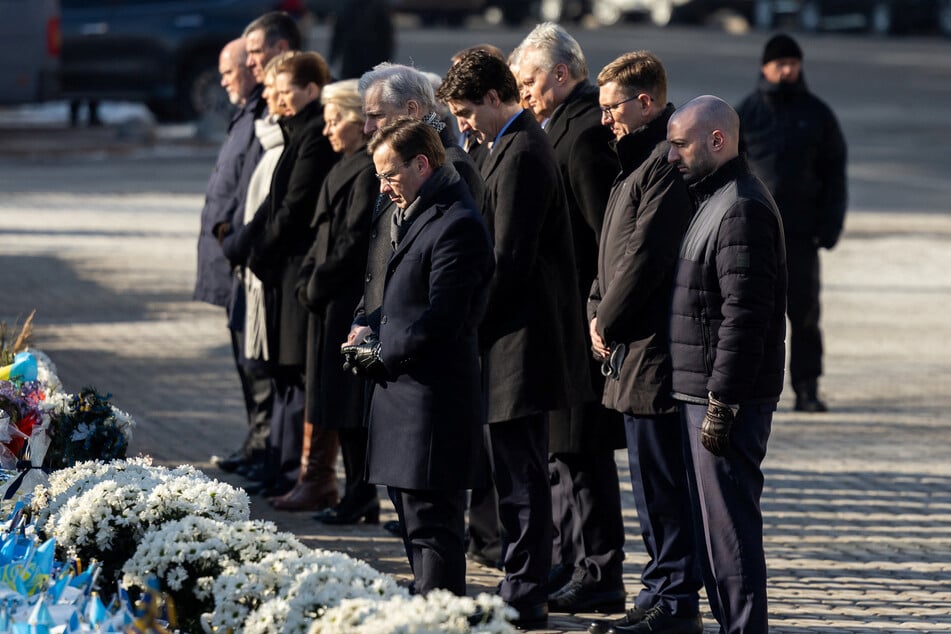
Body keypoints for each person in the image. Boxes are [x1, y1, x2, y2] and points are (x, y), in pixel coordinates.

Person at [437, 49, 592, 629]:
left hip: (522, 343)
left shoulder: (524, 150)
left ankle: (526, 590)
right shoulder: (506, 143)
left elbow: (510, 259)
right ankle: (520, 579)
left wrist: (465, 323)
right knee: (516, 471)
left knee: (522, 473)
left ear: (496, 98)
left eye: (467, 111)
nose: (463, 124)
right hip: (507, 340)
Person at [342, 118, 494, 596]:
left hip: (432, 405)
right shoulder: (415, 212)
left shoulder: (457, 223)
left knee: (432, 531)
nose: (383, 187)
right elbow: (407, 298)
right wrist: (370, 326)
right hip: (403, 400)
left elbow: (444, 319)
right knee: (413, 524)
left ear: (422, 165)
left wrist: (381, 355)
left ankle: (440, 618)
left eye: (389, 175)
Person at [586, 52, 703, 634]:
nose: (605, 119)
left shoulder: (665, 162)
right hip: (628, 348)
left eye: (611, 108)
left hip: (655, 352)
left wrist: (605, 319)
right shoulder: (632, 160)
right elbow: (607, 253)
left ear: (646, 102)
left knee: (664, 488)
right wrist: (595, 309)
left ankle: (675, 600)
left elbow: (647, 257)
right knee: (648, 486)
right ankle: (658, 591)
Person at [512, 23, 626, 614]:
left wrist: (598, 312)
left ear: (562, 73)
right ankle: (572, 561)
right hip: (560, 319)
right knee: (563, 453)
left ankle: (602, 571)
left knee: (583, 452)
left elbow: (604, 233)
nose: (524, 92)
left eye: (529, 80)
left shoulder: (581, 134)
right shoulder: (557, 125)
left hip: (582, 320)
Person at [666, 95, 787, 634]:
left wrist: (722, 402)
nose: (671, 157)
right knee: (714, 535)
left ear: (718, 141)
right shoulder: (713, 197)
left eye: (680, 144)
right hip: (702, 394)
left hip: (724, 402)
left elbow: (747, 317)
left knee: (730, 532)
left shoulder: (740, 206)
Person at [228, 52, 338, 498]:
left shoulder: (312, 136)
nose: (276, 99)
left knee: (294, 373)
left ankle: (296, 470)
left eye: (284, 89)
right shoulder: (297, 132)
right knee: (282, 373)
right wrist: (243, 242)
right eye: (273, 91)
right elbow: (272, 204)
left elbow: (293, 210)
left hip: (294, 268)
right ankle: (281, 463)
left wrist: (257, 252)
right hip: (280, 267)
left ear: (311, 89)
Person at [278, 80, 379, 516]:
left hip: (343, 299)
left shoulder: (367, 168)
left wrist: (317, 283)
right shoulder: (345, 164)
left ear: (358, 123)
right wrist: (308, 279)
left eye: (335, 121)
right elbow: (323, 235)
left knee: (350, 403)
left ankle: (361, 493)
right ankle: (344, 490)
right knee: (334, 402)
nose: (328, 130)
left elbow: (354, 239)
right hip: (325, 298)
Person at [736, 33, 847, 413]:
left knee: (805, 314)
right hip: (754, 236)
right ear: (765, 67)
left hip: (800, 235)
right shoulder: (746, 114)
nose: (787, 71)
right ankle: (750, 389)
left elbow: (835, 173)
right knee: (753, 314)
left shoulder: (817, 114)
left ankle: (807, 386)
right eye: (780, 64)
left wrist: (831, 224)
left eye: (793, 64)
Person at [194, 38, 269, 476]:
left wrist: (232, 234)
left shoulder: (262, 113)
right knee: (244, 363)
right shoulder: (245, 112)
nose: (222, 80)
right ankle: (255, 443)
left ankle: (264, 449)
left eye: (229, 70)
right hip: (230, 254)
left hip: (244, 253)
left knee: (256, 364)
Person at [328, 0, 394, 80]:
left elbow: (386, 36)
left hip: (369, 58)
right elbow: (339, 33)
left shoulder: (377, 7)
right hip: (354, 59)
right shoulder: (349, 7)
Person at [244, 11, 302, 86]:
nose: (249, 63)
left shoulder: (308, 94)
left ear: (282, 48)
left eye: (256, 52)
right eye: (248, 53)